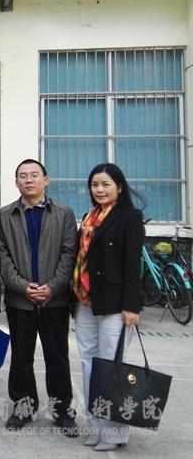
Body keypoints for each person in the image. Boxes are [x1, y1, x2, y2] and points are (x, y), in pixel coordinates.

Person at [0, 159, 78, 435]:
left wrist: (53, 287)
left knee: (58, 357)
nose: (28, 180)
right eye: (23, 176)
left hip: (55, 300)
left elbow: (69, 254)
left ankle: (62, 411)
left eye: (34, 175)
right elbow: (2, 257)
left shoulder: (64, 214)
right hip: (20, 300)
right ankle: (23, 408)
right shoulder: (5, 215)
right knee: (21, 358)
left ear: (46, 180)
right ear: (16, 182)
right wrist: (23, 287)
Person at [72, 163, 145, 451]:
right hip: (85, 300)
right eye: (94, 185)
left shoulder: (129, 217)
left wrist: (131, 306)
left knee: (111, 367)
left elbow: (132, 264)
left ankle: (114, 433)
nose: (99, 190)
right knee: (88, 364)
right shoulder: (88, 218)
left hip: (115, 303)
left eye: (105, 184)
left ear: (119, 187)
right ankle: (95, 428)